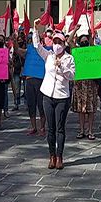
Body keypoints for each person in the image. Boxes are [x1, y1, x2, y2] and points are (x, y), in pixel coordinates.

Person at [33, 19, 75, 170]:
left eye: (60, 42)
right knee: (50, 128)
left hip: (62, 97)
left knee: (60, 128)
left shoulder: (69, 58)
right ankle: (51, 155)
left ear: (64, 44)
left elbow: (72, 76)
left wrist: (62, 66)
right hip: (47, 95)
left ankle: (60, 156)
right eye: (55, 41)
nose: (57, 44)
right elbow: (37, 46)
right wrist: (35, 29)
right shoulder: (49, 55)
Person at [69, 28, 99, 141]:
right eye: (82, 41)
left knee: (90, 109)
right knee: (81, 109)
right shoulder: (76, 51)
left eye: (86, 41)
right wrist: (75, 29)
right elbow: (69, 41)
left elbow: (92, 45)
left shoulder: (92, 52)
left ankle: (90, 131)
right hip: (80, 84)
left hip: (91, 84)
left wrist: (91, 35)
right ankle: (81, 130)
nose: (84, 42)